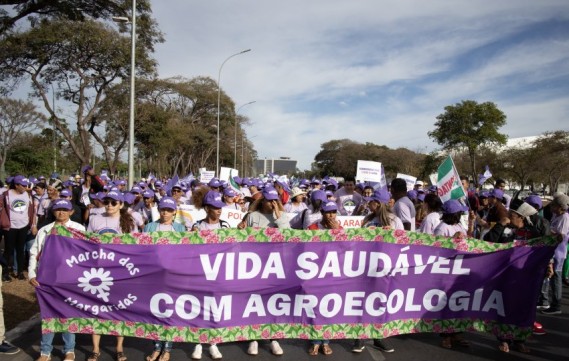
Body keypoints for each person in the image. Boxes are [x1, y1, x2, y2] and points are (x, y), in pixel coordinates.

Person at [483, 200, 547, 353]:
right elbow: (488, 242)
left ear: (522, 218)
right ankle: (504, 340)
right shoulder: (506, 230)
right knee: (504, 308)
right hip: (505, 277)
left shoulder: (533, 233)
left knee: (523, 308)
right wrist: (500, 225)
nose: (509, 216)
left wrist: (548, 264)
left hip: (526, 278)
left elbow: (541, 251)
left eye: (513, 214)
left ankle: (520, 340)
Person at [29, 199, 84, 361]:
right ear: (53, 211)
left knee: (68, 314)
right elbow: (35, 252)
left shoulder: (79, 229)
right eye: (58, 209)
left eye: (65, 210)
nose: (61, 212)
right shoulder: (45, 230)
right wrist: (32, 273)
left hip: (70, 279)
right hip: (47, 279)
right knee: (48, 314)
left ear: (71, 212)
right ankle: (45, 352)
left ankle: (69, 350)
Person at [86, 190, 134, 361]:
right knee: (96, 310)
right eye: (107, 202)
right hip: (98, 271)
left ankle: (119, 347)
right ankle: (95, 349)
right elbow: (87, 243)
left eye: (114, 202)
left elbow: (134, 247)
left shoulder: (128, 222)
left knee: (119, 309)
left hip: (120, 272)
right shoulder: (94, 219)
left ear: (121, 205)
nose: (109, 205)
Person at [245, 186, 287, 356]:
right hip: (255, 265)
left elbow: (288, 236)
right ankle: (254, 338)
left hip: (274, 265)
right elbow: (245, 239)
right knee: (255, 303)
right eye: (269, 200)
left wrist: (279, 217)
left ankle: (273, 338)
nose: (272, 203)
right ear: (263, 200)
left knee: (272, 304)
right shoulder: (252, 216)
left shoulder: (282, 217)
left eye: (275, 200)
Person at [434, 200, 470, 350]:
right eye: (459, 212)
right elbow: (436, 248)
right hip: (445, 271)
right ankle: (445, 336)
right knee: (446, 304)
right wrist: (452, 240)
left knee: (458, 302)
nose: (461, 215)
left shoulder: (459, 226)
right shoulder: (441, 228)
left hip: (459, 270)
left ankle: (457, 333)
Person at [305, 201, 339, 356]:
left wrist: (337, 233)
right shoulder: (313, 228)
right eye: (328, 212)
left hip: (332, 274)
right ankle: (315, 341)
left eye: (334, 212)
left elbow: (349, 249)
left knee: (328, 308)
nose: (331, 215)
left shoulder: (340, 229)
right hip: (315, 275)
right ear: (322, 213)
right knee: (314, 308)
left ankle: (326, 341)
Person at [0, 175, 37, 281]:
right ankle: (5, 273)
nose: (25, 187)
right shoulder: (6, 195)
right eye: (23, 185)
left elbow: (32, 212)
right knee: (8, 250)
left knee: (20, 249)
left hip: (24, 226)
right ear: (16, 185)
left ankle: (19, 272)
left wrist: (33, 225)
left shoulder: (29, 195)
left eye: (26, 185)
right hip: (10, 227)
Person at [541, 193, 569, 316]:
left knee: (556, 278)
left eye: (554, 205)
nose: (551, 207)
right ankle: (549, 302)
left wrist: (547, 230)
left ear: (560, 206)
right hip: (552, 250)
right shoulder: (556, 216)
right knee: (551, 277)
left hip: (558, 252)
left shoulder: (565, 217)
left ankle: (556, 305)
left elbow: (561, 236)